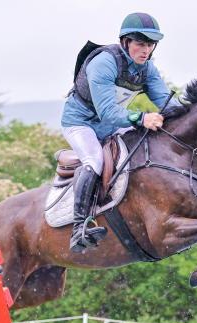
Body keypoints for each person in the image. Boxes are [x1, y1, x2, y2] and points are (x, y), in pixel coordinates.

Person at [61, 12, 185, 253]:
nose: (146, 50)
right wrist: (142, 118)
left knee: (146, 146)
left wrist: (190, 115)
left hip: (112, 125)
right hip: (81, 123)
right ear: (125, 42)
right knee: (94, 160)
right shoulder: (103, 63)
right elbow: (108, 112)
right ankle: (79, 227)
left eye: (150, 44)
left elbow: (166, 102)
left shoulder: (147, 68)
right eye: (140, 44)